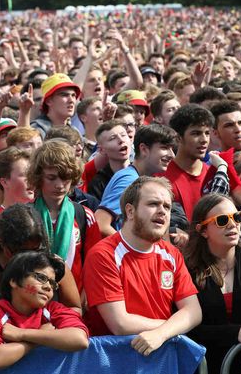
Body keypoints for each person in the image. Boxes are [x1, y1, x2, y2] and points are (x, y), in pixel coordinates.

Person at [83, 176, 202, 355]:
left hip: (162, 357)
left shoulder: (171, 254)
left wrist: (162, 334)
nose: (162, 211)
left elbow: (194, 311)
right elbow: (120, 324)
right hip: (114, 361)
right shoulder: (103, 254)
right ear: (130, 211)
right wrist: (173, 326)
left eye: (167, 206)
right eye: (153, 204)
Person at [185, 194, 241, 373]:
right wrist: (236, 332)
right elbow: (188, 328)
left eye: (237, 217)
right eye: (221, 220)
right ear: (203, 230)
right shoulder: (188, 269)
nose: (233, 224)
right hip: (204, 366)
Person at [0, 251, 89, 370]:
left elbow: (80, 339)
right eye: (41, 278)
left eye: (52, 284)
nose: (48, 287)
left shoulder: (54, 310)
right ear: (14, 281)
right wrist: (37, 340)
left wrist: (23, 334)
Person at [27, 140, 101, 290]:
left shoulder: (85, 216)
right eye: (51, 178)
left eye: (65, 177)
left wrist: (86, 293)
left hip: (74, 300)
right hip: (33, 296)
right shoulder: (25, 216)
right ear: (38, 177)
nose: (60, 185)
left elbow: (94, 262)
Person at [96, 124, 177, 237]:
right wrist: (128, 250)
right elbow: (101, 223)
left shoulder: (140, 178)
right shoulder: (129, 180)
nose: (172, 155)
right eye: (164, 148)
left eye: (172, 149)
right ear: (143, 149)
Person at [166, 104, 215, 221]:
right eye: (196, 133)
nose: (204, 140)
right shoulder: (160, 177)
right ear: (178, 138)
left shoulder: (214, 174)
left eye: (207, 133)